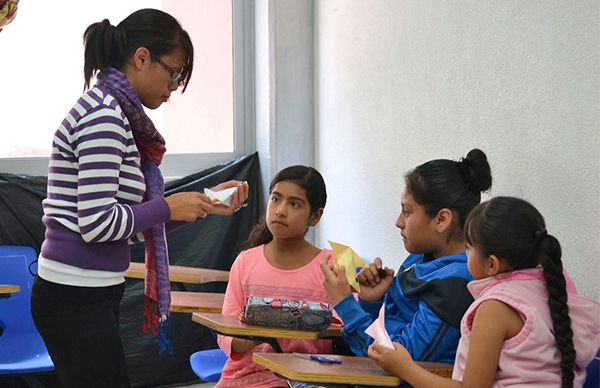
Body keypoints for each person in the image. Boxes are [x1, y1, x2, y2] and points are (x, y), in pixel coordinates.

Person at [30, 9, 248, 388]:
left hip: (87, 290)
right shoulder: (105, 116)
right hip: (75, 293)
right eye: (174, 72)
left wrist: (199, 205)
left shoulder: (116, 114)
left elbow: (123, 227)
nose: (175, 87)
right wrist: (168, 205)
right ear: (142, 57)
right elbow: (97, 224)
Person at [368, 196, 600, 387]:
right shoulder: (557, 288)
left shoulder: (495, 309)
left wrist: (405, 367)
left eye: (468, 248)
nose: (465, 254)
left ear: (491, 264)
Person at [321, 149, 492, 365]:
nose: (399, 221)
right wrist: (370, 301)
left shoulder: (456, 284)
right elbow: (378, 338)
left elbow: (395, 359)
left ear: (441, 220)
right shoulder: (419, 259)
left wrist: (344, 303)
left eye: (407, 211)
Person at [216, 165, 335, 388]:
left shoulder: (330, 265)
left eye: (295, 204)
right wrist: (253, 334)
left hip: (307, 377)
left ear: (316, 216)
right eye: (276, 199)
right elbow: (226, 335)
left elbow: (345, 328)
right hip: (246, 377)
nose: (280, 211)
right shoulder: (246, 261)